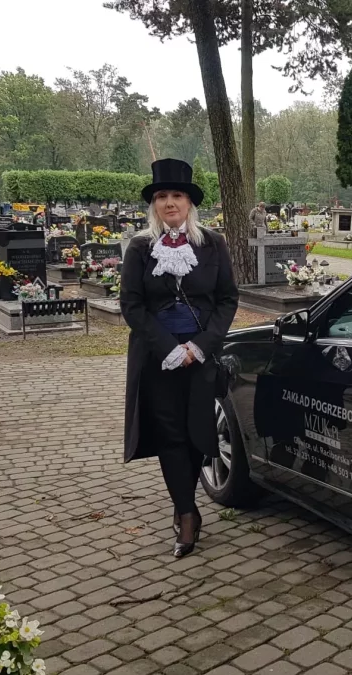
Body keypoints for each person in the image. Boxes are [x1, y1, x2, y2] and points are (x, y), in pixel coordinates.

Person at [120, 158, 239, 558]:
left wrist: (199, 346)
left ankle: (182, 501)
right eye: (161, 196)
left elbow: (226, 300)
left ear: (189, 202)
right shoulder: (140, 248)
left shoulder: (213, 244)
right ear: (154, 204)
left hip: (201, 353)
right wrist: (168, 347)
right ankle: (187, 513)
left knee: (198, 434)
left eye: (176, 195)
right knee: (170, 434)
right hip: (158, 356)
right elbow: (132, 305)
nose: (169, 203)